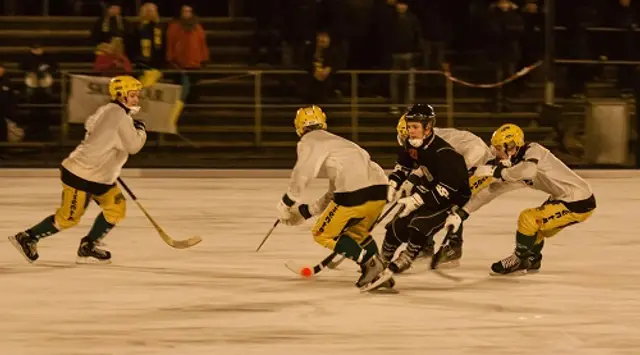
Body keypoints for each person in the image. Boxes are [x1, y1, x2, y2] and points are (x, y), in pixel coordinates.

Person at [9, 76, 147, 264]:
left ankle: (88, 247)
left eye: (137, 95)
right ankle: (27, 237)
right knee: (68, 218)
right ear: (121, 95)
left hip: (100, 177)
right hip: (81, 175)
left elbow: (89, 124)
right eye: (132, 95)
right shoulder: (119, 115)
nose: (136, 99)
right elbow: (133, 146)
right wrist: (141, 130)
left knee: (116, 209)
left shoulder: (108, 110)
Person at [276, 105, 394, 291]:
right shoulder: (340, 143)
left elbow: (304, 172)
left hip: (355, 193)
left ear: (299, 127)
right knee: (357, 234)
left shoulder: (310, 140)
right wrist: (306, 212)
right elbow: (334, 193)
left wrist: (287, 202)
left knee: (322, 233)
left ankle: (370, 265)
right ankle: (380, 271)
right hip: (380, 192)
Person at [457, 123, 596, 274]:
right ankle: (532, 258)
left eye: (498, 149)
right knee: (535, 229)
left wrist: (498, 172)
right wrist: (465, 211)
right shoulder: (515, 167)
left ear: (511, 146)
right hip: (564, 197)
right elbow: (492, 191)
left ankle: (520, 260)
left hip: (577, 200)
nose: (496, 153)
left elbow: (529, 171)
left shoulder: (532, 150)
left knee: (528, 219)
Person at [362, 104, 471, 290]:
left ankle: (408, 256)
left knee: (420, 223)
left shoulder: (445, 154)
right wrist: (393, 184)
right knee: (397, 224)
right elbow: (402, 166)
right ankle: (383, 259)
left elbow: (447, 189)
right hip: (429, 188)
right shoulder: (411, 144)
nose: (410, 131)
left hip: (451, 198)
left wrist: (417, 200)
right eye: (409, 126)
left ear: (428, 128)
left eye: (415, 127)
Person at [393, 116, 495, 268]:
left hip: (478, 163)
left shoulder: (436, 142)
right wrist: (413, 178)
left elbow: (477, 150)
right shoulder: (424, 140)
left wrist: (456, 172)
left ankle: (453, 247)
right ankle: (425, 245)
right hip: (464, 159)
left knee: (450, 200)